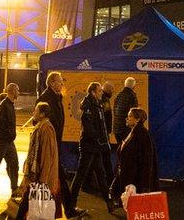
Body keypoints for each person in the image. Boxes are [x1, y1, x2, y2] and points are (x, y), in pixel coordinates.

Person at [37, 71, 83, 218]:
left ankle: (68, 210)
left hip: (55, 144)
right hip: (49, 146)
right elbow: (40, 121)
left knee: (53, 178)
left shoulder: (57, 98)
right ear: (51, 83)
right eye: (59, 81)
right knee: (50, 178)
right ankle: (69, 210)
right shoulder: (45, 98)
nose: (62, 83)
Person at [69, 82, 117, 214]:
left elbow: (102, 126)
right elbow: (90, 129)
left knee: (101, 174)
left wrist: (102, 141)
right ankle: (70, 205)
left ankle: (109, 203)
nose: (102, 93)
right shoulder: (89, 106)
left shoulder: (97, 105)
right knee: (80, 175)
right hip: (89, 147)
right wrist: (100, 139)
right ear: (93, 92)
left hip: (96, 147)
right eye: (100, 91)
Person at [15, 102, 62, 219]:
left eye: (35, 111)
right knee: (26, 203)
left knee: (26, 204)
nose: (33, 113)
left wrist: (43, 180)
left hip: (38, 176)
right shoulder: (41, 126)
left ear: (42, 114)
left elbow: (47, 156)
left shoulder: (46, 129)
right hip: (35, 175)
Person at [110, 107, 159, 204]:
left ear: (137, 120)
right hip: (129, 176)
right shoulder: (132, 132)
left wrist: (145, 184)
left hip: (135, 179)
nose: (126, 118)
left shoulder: (142, 135)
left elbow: (147, 160)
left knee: (135, 207)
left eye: (129, 116)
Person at [112, 77, 138, 145]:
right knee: (129, 150)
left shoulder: (118, 95)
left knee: (120, 150)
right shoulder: (132, 96)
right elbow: (134, 113)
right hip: (126, 129)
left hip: (116, 129)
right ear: (133, 86)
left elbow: (114, 111)